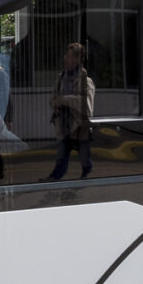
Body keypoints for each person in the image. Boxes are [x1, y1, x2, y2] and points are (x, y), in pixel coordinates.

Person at [48, 42, 95, 181]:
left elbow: (86, 104)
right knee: (62, 153)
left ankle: (88, 172)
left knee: (84, 156)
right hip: (63, 124)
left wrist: (64, 100)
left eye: (68, 56)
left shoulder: (86, 81)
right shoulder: (61, 77)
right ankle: (55, 176)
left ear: (77, 59)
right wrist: (55, 104)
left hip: (79, 126)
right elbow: (54, 98)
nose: (65, 59)